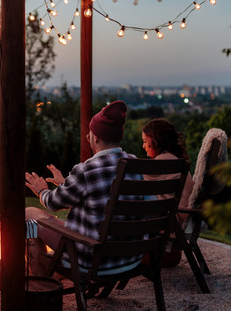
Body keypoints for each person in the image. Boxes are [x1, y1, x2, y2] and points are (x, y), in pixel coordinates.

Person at [24, 100, 142, 276]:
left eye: (89, 134)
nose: (88, 138)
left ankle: (42, 284)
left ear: (96, 138)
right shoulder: (134, 163)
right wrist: (65, 183)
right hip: (130, 259)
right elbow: (98, 199)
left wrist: (41, 190)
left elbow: (53, 203)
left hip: (93, 259)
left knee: (29, 214)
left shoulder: (86, 170)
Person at [141, 118, 195, 268]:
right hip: (185, 219)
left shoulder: (161, 163)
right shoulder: (178, 161)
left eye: (145, 141)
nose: (143, 146)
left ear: (156, 141)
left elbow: (137, 184)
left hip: (172, 223)